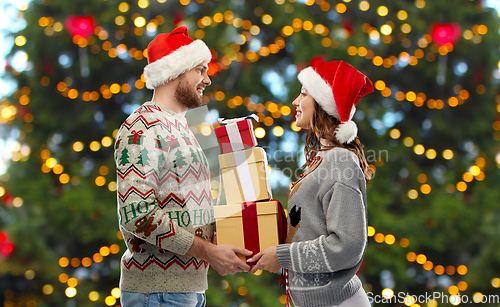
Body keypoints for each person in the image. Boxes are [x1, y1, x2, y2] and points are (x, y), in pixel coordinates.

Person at [114, 26, 252, 307]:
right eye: (200, 70)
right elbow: (137, 215)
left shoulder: (189, 128)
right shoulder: (142, 127)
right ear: (175, 70)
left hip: (189, 291)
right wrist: (209, 252)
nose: (207, 79)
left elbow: (202, 209)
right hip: (158, 293)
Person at [248, 60, 374, 307]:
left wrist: (282, 256)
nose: (295, 102)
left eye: (304, 94)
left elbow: (347, 246)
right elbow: (310, 231)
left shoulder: (340, 160)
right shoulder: (323, 159)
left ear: (323, 104)